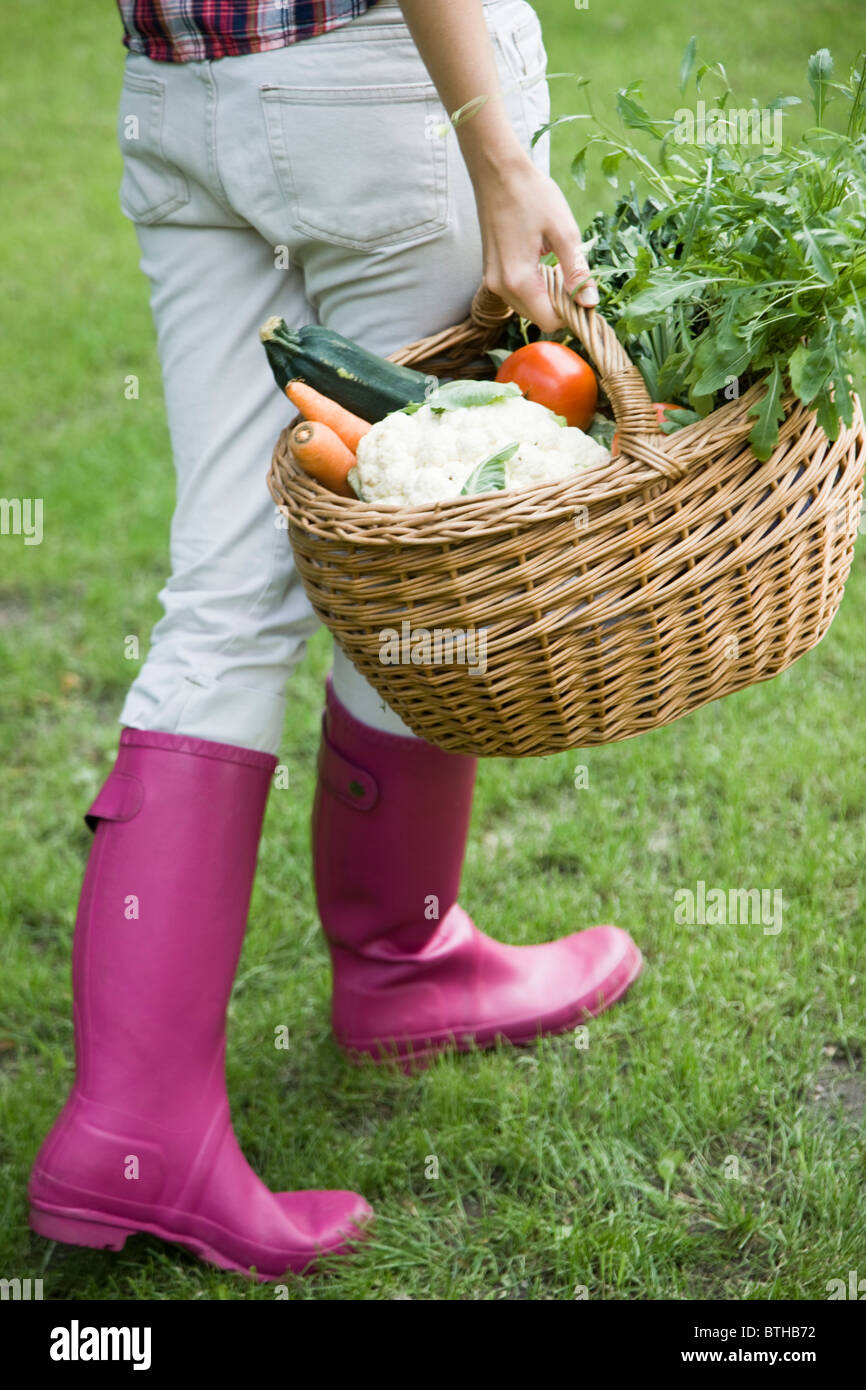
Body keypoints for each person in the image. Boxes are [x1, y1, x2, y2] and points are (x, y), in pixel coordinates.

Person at [28, 0, 642, 1281]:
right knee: (423, 542)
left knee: (228, 598)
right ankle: (398, 964)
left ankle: (132, 1126)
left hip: (183, 96)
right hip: (389, 93)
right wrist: (502, 153)